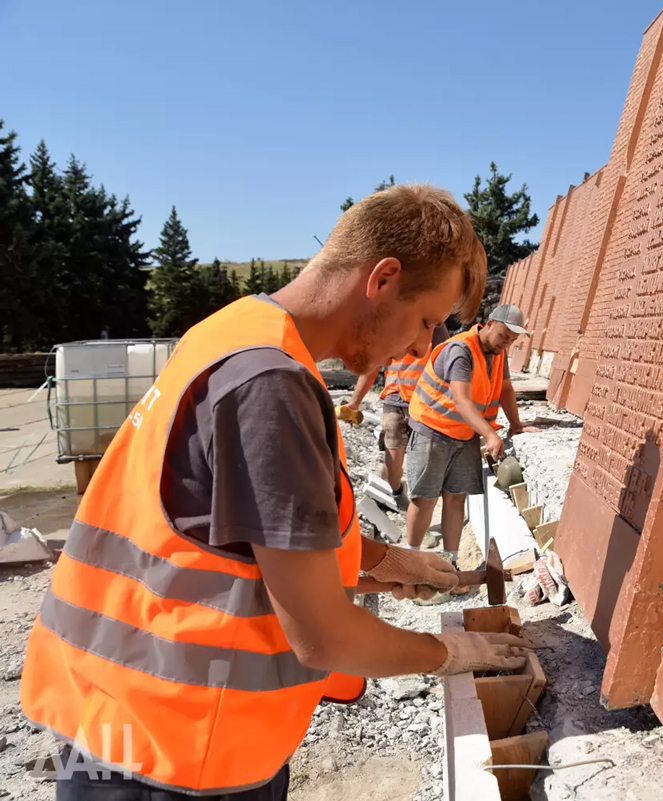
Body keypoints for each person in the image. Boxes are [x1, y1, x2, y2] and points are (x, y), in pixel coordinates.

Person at [19, 184, 533, 800]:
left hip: (118, 711)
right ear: (384, 277)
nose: (423, 346)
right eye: (424, 320)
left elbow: (229, 538)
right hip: (178, 749)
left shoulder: (236, 331)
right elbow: (322, 637)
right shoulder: (271, 384)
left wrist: (385, 561)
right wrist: (450, 652)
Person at [404, 304, 528, 583]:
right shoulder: (460, 350)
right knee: (425, 498)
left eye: (513, 339)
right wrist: (490, 434)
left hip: (464, 434)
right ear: (490, 323)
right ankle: (410, 563)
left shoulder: (498, 353)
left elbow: (506, 388)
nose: (507, 342)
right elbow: (461, 400)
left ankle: (449, 564)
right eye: (505, 335)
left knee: (456, 497)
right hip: (433, 430)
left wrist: (516, 425)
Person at [343, 320, 452, 509]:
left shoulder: (436, 326)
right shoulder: (394, 321)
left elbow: (446, 363)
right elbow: (373, 366)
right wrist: (355, 402)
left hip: (424, 402)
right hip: (395, 398)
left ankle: (417, 511)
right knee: (393, 459)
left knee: (422, 462)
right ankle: (397, 491)